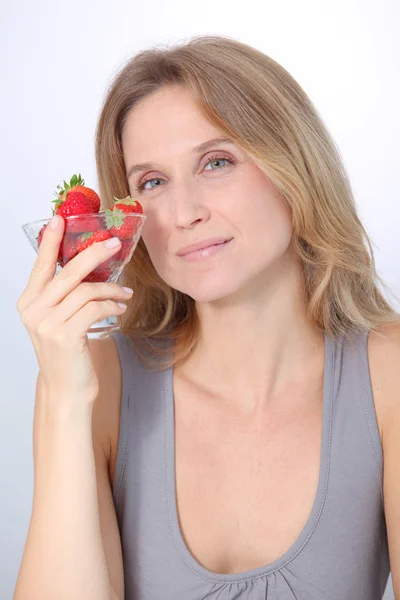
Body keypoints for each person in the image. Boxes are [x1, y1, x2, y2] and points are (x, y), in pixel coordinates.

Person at [14, 34, 400, 600]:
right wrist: (66, 400)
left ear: (294, 165)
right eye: (151, 182)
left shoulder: (388, 375)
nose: (184, 212)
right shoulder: (96, 383)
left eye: (216, 162)